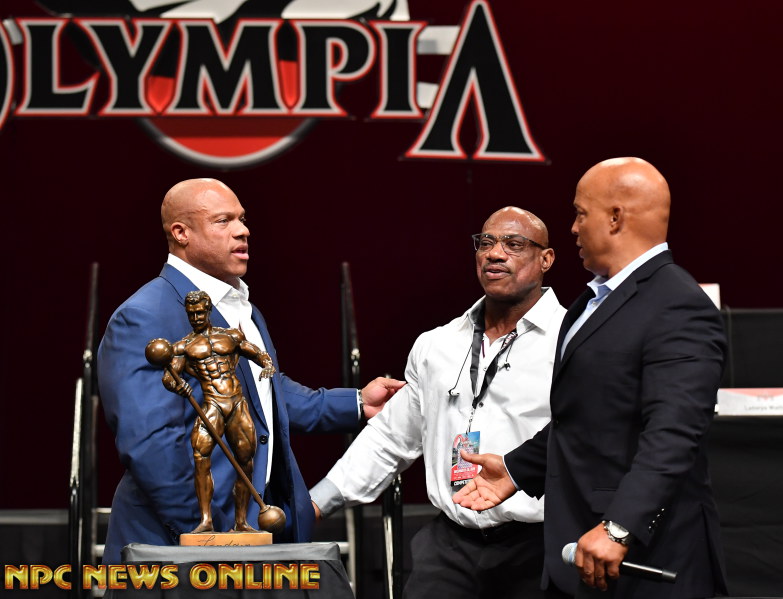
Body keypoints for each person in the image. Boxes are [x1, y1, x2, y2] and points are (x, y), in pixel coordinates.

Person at [454, 158, 728, 599]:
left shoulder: (678, 304)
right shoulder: (589, 303)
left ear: (616, 218)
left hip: (643, 560)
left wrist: (620, 527)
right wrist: (516, 469)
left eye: (581, 214)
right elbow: (584, 416)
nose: (573, 228)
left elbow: (674, 434)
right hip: (578, 549)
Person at [98, 178, 404, 564]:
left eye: (242, 219)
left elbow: (263, 393)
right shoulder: (144, 315)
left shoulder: (241, 308)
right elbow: (152, 447)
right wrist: (214, 540)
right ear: (181, 233)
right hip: (177, 551)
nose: (242, 230)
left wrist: (358, 403)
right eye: (223, 220)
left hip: (243, 541)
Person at [309, 207, 567, 599]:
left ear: (546, 259)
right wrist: (315, 502)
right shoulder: (437, 344)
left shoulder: (570, 340)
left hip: (537, 545)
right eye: (486, 242)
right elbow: (391, 438)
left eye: (514, 244)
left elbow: (590, 438)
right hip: (450, 545)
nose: (495, 253)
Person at [159, 290, 276, 534]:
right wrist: (177, 385)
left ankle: (241, 522)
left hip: (236, 403)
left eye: (200, 312)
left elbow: (256, 352)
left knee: (245, 460)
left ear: (209, 310)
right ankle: (206, 521)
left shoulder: (230, 335)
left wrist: (267, 364)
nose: (196, 318)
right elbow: (169, 377)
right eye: (192, 314)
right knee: (200, 455)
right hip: (212, 405)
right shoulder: (184, 346)